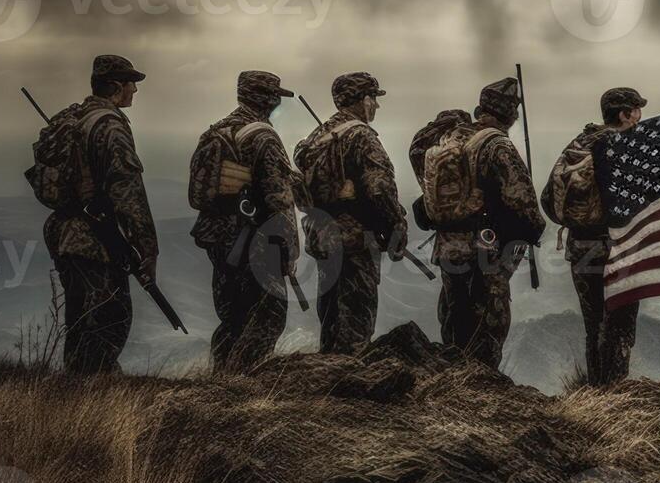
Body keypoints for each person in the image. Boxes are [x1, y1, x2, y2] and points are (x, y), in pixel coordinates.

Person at [42, 54, 159, 375]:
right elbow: (128, 191)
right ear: (116, 86)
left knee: (80, 323)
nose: (135, 89)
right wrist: (148, 248)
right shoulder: (109, 125)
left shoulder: (73, 118)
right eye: (131, 83)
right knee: (111, 320)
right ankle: (96, 397)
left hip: (66, 235)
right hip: (96, 241)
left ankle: (74, 393)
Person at [189, 71, 301, 372]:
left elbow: (198, 194)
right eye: (276, 96)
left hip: (218, 238)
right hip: (256, 242)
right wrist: (290, 250)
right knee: (268, 316)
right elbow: (279, 199)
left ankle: (222, 378)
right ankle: (246, 383)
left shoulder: (215, 132)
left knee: (232, 316)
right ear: (268, 99)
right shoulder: (263, 136)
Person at [429, 79, 543, 367]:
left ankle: (450, 386)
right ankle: (479, 393)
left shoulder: (450, 139)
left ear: (480, 107)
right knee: (487, 328)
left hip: (447, 248)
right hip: (486, 253)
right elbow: (523, 202)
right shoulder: (496, 145)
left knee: (455, 321)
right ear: (512, 115)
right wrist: (531, 231)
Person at [295, 72, 407, 354]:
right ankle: (350, 384)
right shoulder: (361, 135)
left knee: (331, 317)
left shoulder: (317, 137)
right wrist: (396, 227)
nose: (376, 107)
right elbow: (380, 189)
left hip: (322, 238)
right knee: (356, 318)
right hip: (355, 241)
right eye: (374, 99)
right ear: (363, 100)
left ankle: (328, 378)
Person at [543, 86, 644, 385]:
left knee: (594, 324)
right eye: (637, 110)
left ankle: (594, 389)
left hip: (579, 246)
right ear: (625, 113)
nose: (639, 117)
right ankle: (612, 394)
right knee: (620, 326)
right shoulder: (620, 148)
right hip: (615, 248)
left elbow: (549, 199)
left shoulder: (578, 144)